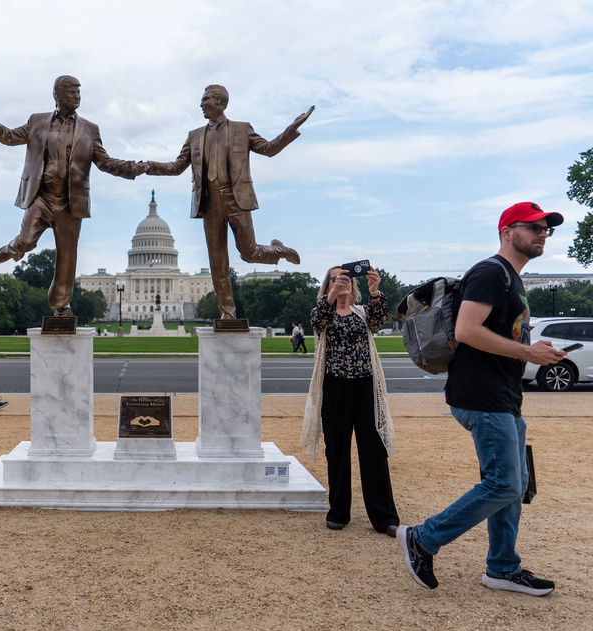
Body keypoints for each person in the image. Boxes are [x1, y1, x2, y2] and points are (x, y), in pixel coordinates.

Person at [398, 202, 566, 595]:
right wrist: (529, 354)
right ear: (508, 231)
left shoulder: (512, 278)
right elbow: (468, 330)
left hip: (503, 395)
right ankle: (423, 538)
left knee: (516, 481)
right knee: (505, 483)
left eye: (547, 229)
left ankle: (503, 567)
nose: (543, 233)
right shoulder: (492, 272)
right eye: (534, 227)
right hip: (481, 395)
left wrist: (536, 353)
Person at [0, 75, 146, 315]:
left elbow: (105, 162)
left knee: (67, 259)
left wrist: (132, 168)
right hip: (42, 197)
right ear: (58, 95)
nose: (77, 96)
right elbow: (7, 136)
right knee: (28, 240)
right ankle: (14, 247)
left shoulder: (90, 130)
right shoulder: (37, 122)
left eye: (79, 92)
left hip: (71, 204)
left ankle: (61, 305)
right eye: (72, 92)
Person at [147, 85, 312, 318]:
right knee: (217, 262)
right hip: (209, 203)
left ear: (220, 102)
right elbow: (176, 167)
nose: (201, 104)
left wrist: (290, 130)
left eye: (206, 100)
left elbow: (268, 149)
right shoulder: (194, 136)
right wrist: (148, 166)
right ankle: (228, 312)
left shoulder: (242, 129)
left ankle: (279, 250)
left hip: (236, 199)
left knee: (249, 253)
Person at [301, 265, 399, 537]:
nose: (342, 283)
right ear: (328, 284)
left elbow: (380, 319)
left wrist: (375, 291)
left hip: (365, 386)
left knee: (374, 451)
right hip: (335, 387)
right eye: (336, 279)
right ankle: (339, 512)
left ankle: (384, 517)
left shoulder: (362, 312)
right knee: (337, 451)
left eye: (345, 279)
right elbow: (319, 321)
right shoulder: (323, 311)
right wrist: (331, 296)